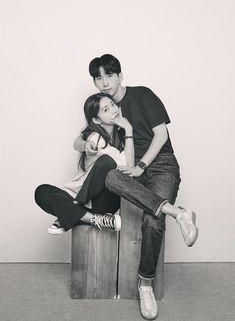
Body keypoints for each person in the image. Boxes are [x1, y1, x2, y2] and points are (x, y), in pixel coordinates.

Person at [74, 54, 198, 320]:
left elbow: (161, 134)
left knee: (153, 221)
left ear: (120, 75)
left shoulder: (143, 95)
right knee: (109, 176)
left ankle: (145, 286)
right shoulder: (103, 109)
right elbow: (81, 136)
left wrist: (142, 165)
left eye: (109, 75)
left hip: (161, 164)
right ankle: (178, 213)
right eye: (98, 78)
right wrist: (85, 145)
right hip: (128, 168)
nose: (104, 82)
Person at [35, 93, 135, 234]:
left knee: (107, 162)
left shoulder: (122, 139)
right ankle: (91, 217)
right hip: (77, 195)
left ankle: (70, 213)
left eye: (112, 104)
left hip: (103, 201)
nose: (114, 110)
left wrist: (128, 130)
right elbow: (79, 142)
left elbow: (129, 167)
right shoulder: (95, 138)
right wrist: (84, 144)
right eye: (106, 109)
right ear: (96, 120)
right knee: (42, 191)